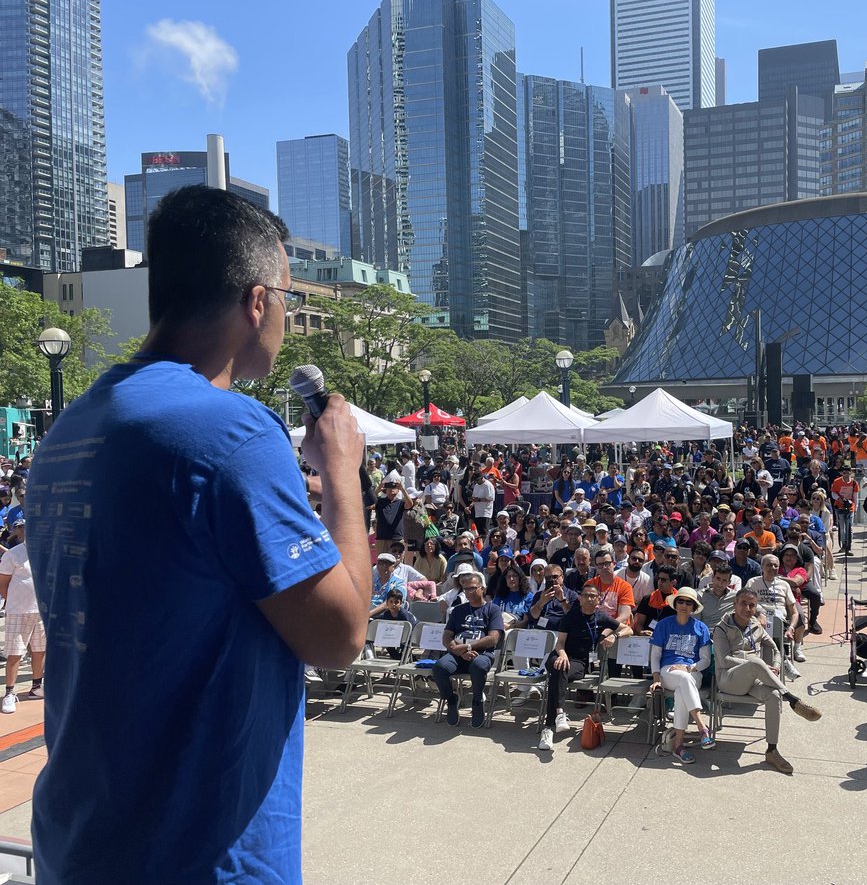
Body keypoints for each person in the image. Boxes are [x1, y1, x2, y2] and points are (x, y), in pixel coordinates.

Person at [23, 186, 373, 882]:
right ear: (256, 302)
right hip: (198, 854)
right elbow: (341, 638)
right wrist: (341, 474)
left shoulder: (69, 431)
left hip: (79, 842)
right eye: (285, 299)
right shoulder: (231, 432)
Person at [712, 589, 821, 774]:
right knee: (756, 662)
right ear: (734, 604)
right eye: (743, 603)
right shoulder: (721, 628)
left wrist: (776, 666)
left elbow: (776, 650)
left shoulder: (756, 626)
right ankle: (792, 698)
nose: (747, 608)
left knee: (773, 694)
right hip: (728, 679)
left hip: (754, 678)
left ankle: (772, 750)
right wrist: (758, 665)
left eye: (752, 605)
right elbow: (723, 660)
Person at [538, 581, 629, 752]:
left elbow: (628, 630)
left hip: (580, 663)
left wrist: (614, 636)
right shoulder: (570, 616)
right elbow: (560, 644)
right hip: (560, 655)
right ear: (579, 599)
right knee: (558, 666)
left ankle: (550, 726)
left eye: (592, 596)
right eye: (585, 595)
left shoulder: (601, 617)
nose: (589, 599)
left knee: (557, 676)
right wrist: (563, 655)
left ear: (598, 600)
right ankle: (558, 715)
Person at [649, 587, 713, 764]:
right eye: (681, 601)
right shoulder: (664, 625)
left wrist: (690, 668)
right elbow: (655, 655)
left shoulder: (701, 628)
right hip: (668, 671)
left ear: (693, 606)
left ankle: (678, 745)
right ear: (675, 604)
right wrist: (656, 680)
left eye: (688, 602)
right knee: (683, 681)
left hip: (693, 672)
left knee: (681, 692)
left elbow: (706, 660)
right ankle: (701, 726)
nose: (684, 605)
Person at [433, 569, 504, 728]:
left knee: (478, 666)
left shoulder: (493, 610)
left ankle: (477, 701)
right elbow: (446, 636)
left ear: (482, 588)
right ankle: (451, 700)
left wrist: (469, 646)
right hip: (458, 654)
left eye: (473, 588)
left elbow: (493, 638)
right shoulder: (458, 610)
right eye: (466, 589)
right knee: (439, 668)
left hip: (482, 654)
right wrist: (455, 649)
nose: (469, 592)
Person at [0, 520, 44, 713]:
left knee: (39, 651)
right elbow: (3, 583)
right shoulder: (13, 554)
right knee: (15, 653)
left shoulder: (46, 553)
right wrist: (13, 603)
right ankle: (9, 693)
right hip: (18, 611)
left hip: (40, 611)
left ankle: (36, 687)